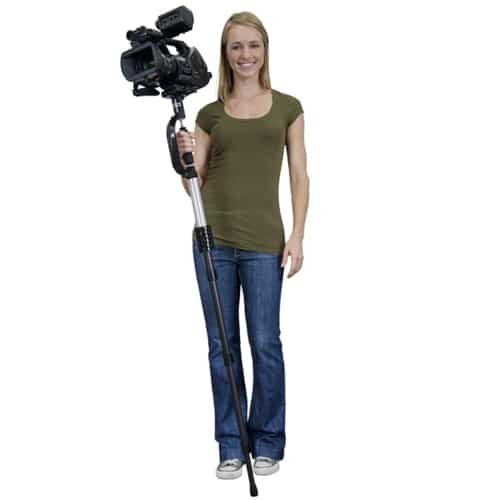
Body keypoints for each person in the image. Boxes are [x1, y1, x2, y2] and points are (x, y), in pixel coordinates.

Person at [176, 11, 309, 480]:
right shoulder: (209, 114)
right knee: (222, 346)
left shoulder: (288, 107)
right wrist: (184, 159)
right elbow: (195, 183)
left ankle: (268, 441)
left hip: (263, 244)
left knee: (265, 343)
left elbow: (299, 175)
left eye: (253, 45)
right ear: (226, 53)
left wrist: (297, 235)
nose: (245, 54)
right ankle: (231, 445)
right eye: (236, 46)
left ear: (265, 50)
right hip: (212, 241)